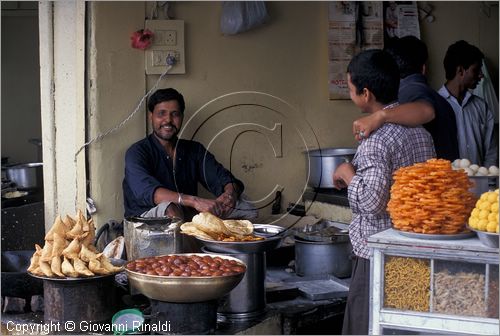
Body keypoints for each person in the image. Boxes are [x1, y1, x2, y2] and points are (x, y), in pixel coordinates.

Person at [333, 49, 435, 335]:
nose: (351, 94)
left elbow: (371, 201)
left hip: (376, 255)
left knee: (367, 326)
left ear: (365, 94)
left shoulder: (375, 140)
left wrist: (348, 174)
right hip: (413, 249)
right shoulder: (419, 131)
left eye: (351, 89)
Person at [123, 88, 256, 221]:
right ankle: (189, 239)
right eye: (161, 113)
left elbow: (223, 178)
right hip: (145, 221)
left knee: (245, 207)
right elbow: (148, 192)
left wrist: (229, 195)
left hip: (189, 218)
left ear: (181, 117)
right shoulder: (137, 152)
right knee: (170, 210)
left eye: (175, 114)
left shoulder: (194, 150)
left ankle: (219, 241)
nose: (168, 120)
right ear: (151, 116)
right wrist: (195, 201)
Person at [382, 35, 459, 161]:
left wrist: (380, 116)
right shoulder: (441, 101)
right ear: (423, 68)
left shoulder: (409, 92)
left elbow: (426, 110)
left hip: (430, 178)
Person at [438, 40, 498, 167]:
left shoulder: (482, 107)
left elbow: (491, 152)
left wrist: (487, 180)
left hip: (481, 184)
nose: (481, 75)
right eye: (476, 70)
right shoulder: (435, 106)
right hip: (447, 184)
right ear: (460, 70)